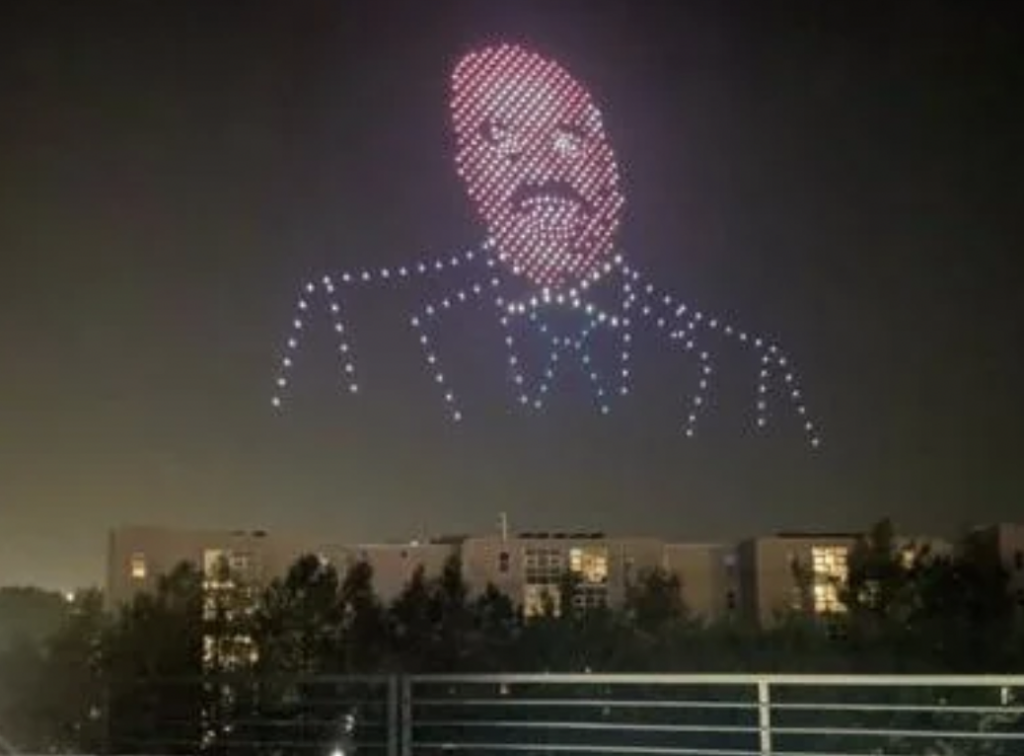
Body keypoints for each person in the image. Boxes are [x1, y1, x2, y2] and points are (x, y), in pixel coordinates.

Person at [272, 43, 819, 448]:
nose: (541, 167)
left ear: (611, 164)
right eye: (504, 141)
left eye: (569, 139)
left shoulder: (746, 372)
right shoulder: (350, 322)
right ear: (467, 169)